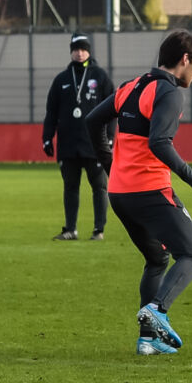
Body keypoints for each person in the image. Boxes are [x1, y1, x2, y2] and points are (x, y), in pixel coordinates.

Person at [85, 30, 192, 356]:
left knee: (157, 259)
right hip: (150, 191)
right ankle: (157, 310)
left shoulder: (131, 86)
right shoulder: (169, 92)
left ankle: (148, 340)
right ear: (184, 60)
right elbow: (159, 143)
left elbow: (92, 121)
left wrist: (109, 162)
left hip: (119, 193)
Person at [42, 33, 115, 241]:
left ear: (89, 51)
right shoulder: (62, 79)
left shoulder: (100, 77)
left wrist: (109, 139)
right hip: (68, 145)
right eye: (76, 49)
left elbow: (113, 110)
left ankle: (98, 230)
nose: (79, 53)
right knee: (70, 188)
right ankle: (70, 230)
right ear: (71, 51)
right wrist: (47, 137)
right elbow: (51, 112)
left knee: (99, 187)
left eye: (83, 49)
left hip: (95, 145)